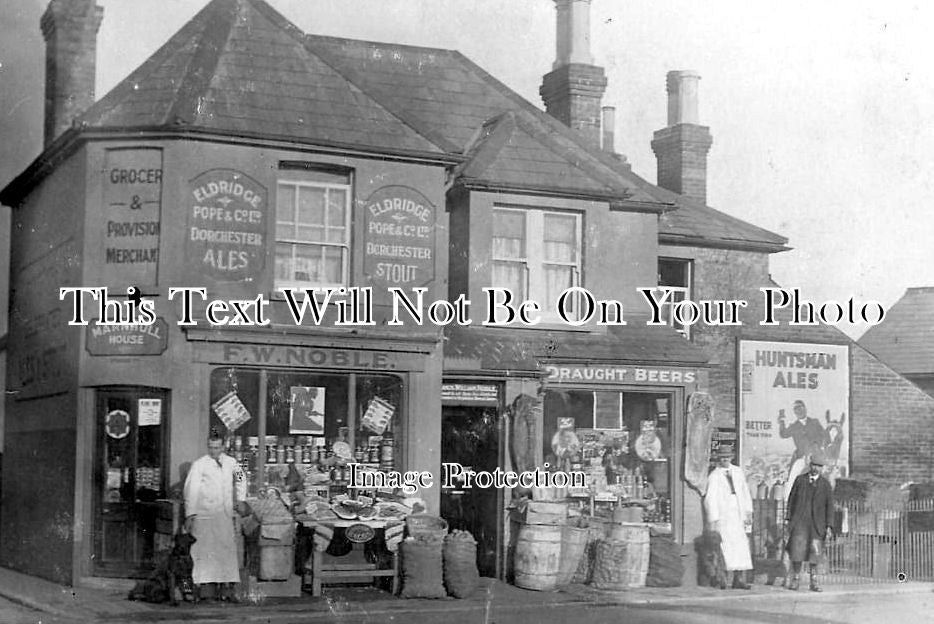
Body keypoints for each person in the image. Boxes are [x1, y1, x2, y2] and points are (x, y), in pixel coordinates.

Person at [183, 429, 245, 602]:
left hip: (224, 514)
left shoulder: (232, 463)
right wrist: (190, 514)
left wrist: (240, 499)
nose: (214, 451)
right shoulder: (199, 464)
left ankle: (227, 589)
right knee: (204, 552)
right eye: (211, 447)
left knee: (226, 550)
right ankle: (205, 591)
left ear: (223, 446)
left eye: (217, 448)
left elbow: (241, 478)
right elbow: (191, 489)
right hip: (205, 515)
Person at [703, 444, 754, 589]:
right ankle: (722, 579)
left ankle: (739, 579)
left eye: (727, 457)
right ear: (719, 459)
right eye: (722, 457)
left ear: (731, 457)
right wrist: (713, 518)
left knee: (740, 547)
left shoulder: (738, 472)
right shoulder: (714, 476)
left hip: (737, 513)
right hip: (724, 516)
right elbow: (710, 498)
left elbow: (745, 492)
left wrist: (748, 511)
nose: (725, 460)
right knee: (724, 548)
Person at [784, 451, 835, 592]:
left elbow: (830, 506)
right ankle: (796, 580)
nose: (815, 468)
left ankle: (814, 582)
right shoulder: (800, 480)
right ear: (810, 465)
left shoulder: (825, 484)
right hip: (800, 523)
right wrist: (789, 519)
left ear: (822, 468)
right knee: (797, 552)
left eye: (819, 466)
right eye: (814, 465)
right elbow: (791, 500)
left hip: (817, 525)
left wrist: (829, 526)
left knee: (815, 554)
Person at [778, 400, 827, 502]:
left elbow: (825, 436)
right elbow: (783, 434)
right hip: (801, 457)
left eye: (800, 407)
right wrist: (781, 421)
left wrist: (817, 447)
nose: (798, 411)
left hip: (816, 457)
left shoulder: (814, 422)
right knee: (793, 477)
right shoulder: (794, 426)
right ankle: (790, 500)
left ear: (805, 408)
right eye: (796, 409)